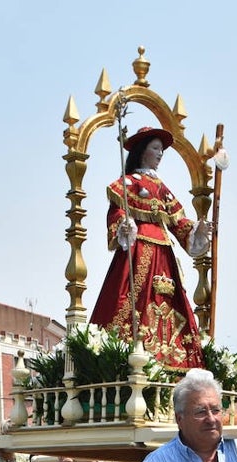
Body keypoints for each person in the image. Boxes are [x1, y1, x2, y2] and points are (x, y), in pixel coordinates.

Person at [89, 126, 211, 369]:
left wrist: (197, 229)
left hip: (164, 254)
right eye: (156, 148)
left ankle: (173, 360)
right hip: (138, 250)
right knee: (135, 299)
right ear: (142, 151)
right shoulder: (127, 184)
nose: (160, 154)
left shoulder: (161, 187)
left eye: (162, 150)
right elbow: (118, 213)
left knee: (168, 301)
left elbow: (178, 221)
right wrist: (124, 226)